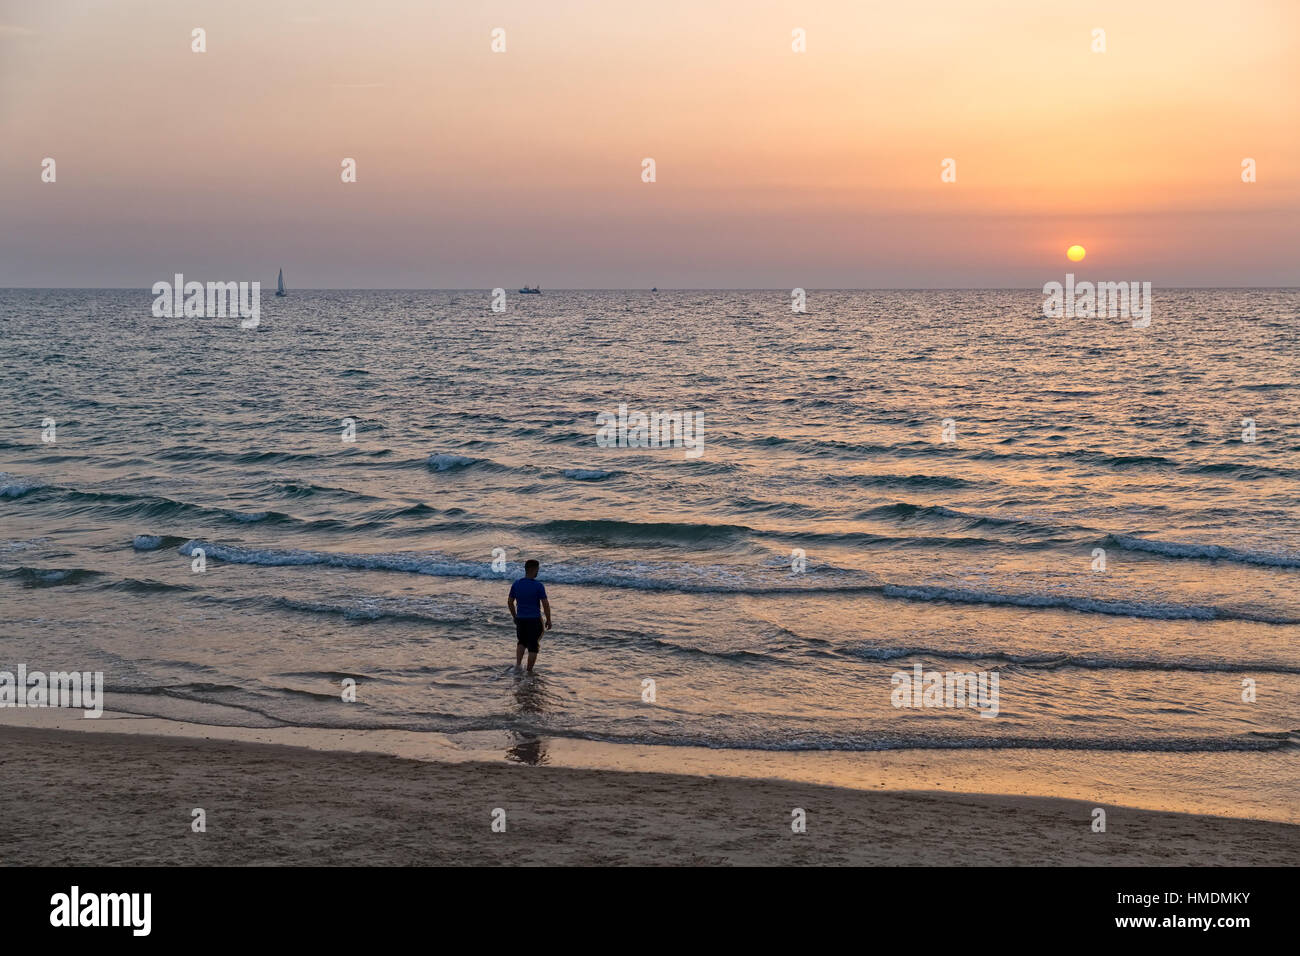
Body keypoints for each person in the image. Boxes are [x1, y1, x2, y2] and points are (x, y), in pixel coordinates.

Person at [508, 559, 552, 672]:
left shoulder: (516, 584)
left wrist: (515, 616)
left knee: (521, 642)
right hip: (534, 620)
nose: (538, 572)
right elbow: (545, 604)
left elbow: (510, 602)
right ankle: (529, 671)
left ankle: (518, 666)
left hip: (521, 620)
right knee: (533, 645)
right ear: (533, 570)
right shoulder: (538, 586)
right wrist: (548, 619)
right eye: (537, 569)